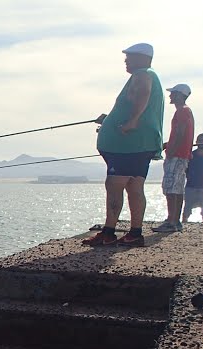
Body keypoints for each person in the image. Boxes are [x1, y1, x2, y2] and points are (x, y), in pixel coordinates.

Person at [84, 43, 164, 248]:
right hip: (139, 144)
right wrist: (111, 118)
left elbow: (143, 93)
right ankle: (135, 233)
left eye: (130, 57)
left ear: (143, 58)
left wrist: (132, 121)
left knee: (114, 184)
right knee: (134, 185)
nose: (126, 60)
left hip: (128, 145)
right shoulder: (150, 75)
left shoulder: (143, 75)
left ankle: (109, 232)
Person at [152, 84, 194, 233]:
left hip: (177, 156)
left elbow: (180, 132)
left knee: (171, 189)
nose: (170, 96)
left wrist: (171, 151)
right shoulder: (186, 111)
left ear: (180, 95)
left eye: (173, 93)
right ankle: (174, 220)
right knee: (176, 188)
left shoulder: (182, 111)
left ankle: (171, 221)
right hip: (181, 155)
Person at [182, 133, 203, 223]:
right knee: (187, 207)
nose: (202, 143)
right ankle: (184, 222)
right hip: (191, 185)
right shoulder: (191, 155)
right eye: (200, 141)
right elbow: (185, 168)